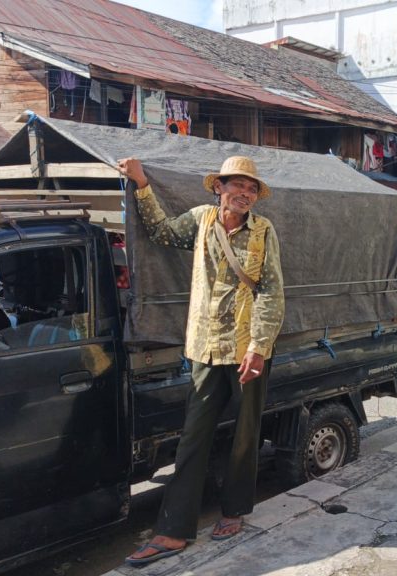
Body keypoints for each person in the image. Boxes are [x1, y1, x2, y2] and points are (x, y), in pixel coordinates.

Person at [117, 156, 285, 566]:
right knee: (193, 438)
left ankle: (234, 511)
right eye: (237, 186)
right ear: (219, 188)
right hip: (205, 347)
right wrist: (141, 185)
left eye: (251, 189)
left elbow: (271, 291)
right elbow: (160, 232)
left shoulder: (263, 231)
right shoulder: (202, 220)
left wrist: (258, 348)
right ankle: (173, 530)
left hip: (247, 349)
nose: (244, 194)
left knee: (246, 435)